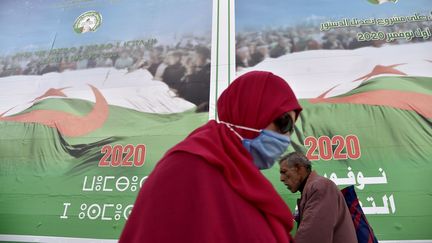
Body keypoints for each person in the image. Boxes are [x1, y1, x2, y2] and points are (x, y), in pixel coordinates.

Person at [120, 71, 302, 243]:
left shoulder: (246, 177)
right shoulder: (186, 167)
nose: (285, 138)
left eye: (291, 129)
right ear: (250, 109)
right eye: (284, 123)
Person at [279, 152, 358, 243]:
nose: (282, 178)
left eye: (284, 172)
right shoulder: (313, 188)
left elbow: (311, 236)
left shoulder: (320, 187)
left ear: (299, 168)